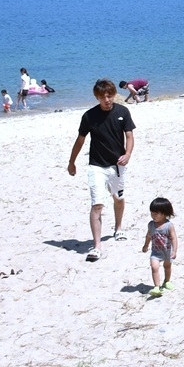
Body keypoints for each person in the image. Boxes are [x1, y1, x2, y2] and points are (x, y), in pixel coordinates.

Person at [66, 79, 136, 261]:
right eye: (103, 96)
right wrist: (71, 162)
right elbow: (80, 140)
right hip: (96, 166)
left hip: (117, 166)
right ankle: (97, 246)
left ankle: (118, 228)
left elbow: (129, 135)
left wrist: (128, 154)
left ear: (114, 95)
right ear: (96, 97)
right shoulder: (89, 116)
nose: (107, 99)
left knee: (118, 198)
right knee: (97, 204)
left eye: (110, 95)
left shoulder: (123, 112)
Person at [142, 197, 179, 298]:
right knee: (154, 267)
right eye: (152, 213)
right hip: (156, 252)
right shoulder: (151, 225)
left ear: (164, 213)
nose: (153, 216)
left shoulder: (169, 226)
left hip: (167, 251)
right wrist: (146, 245)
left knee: (167, 266)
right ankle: (157, 287)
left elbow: (174, 238)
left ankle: (166, 281)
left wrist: (174, 251)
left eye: (156, 214)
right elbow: (148, 235)